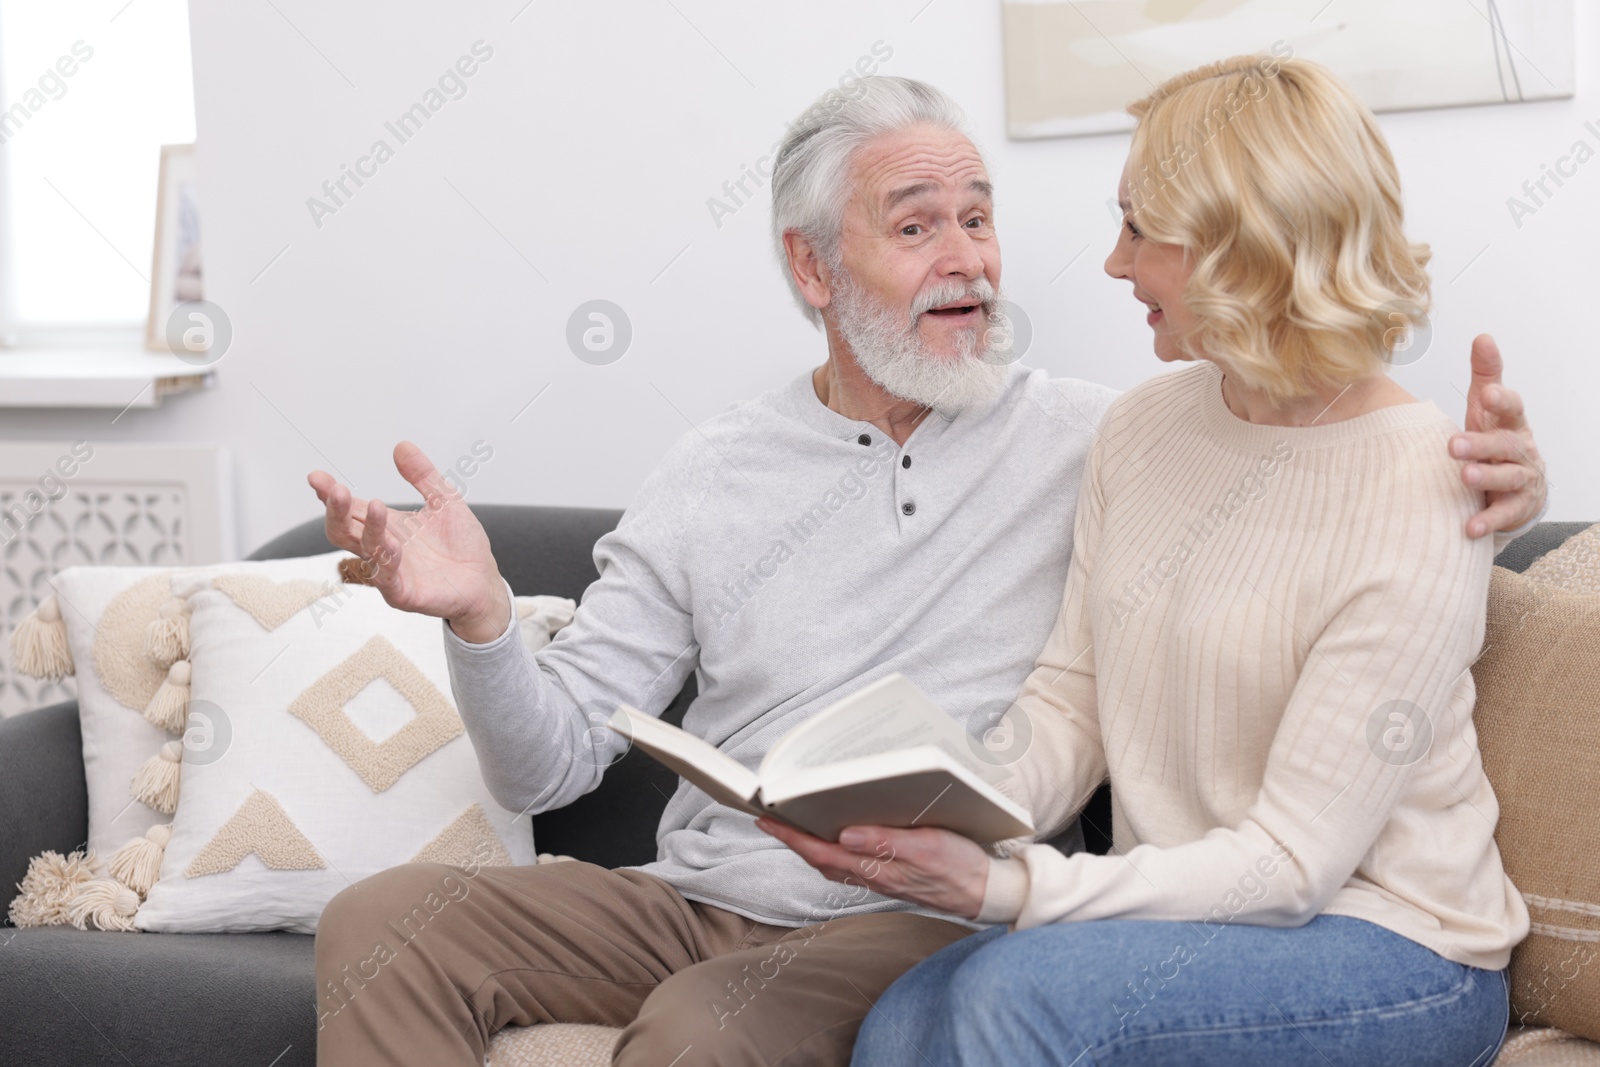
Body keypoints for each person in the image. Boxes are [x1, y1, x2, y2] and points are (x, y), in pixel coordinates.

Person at [308, 74, 1544, 1066]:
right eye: (915, 227)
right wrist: (479, 617)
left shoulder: (1082, 428)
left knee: (743, 1028)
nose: (974, 259)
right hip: (718, 883)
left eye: (979, 216)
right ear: (812, 270)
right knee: (380, 921)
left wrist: (1494, 488)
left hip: (948, 910)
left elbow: (1326, 456)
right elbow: (550, 764)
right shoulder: (733, 466)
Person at [762, 57, 1532, 1066]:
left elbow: (1295, 861)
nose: (1114, 265)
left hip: (1394, 948)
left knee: (1014, 996)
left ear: (1235, 248)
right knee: (903, 1018)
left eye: (1138, 230)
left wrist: (1007, 888)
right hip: (1177, 924)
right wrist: (933, 801)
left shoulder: (1423, 478)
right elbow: (1071, 699)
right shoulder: (1138, 429)